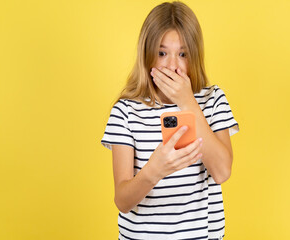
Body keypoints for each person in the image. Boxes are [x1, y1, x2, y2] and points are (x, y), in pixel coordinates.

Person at [100, 1, 240, 239]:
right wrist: (154, 170)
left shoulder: (213, 100)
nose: (173, 65)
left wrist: (188, 103)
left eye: (183, 54)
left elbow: (222, 172)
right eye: (162, 53)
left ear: (194, 56)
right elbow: (122, 201)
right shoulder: (125, 111)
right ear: (147, 55)